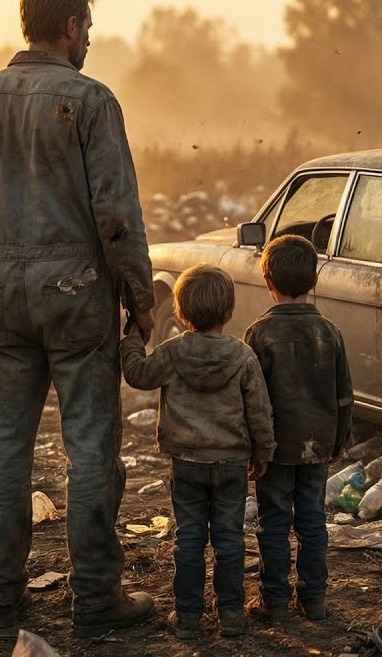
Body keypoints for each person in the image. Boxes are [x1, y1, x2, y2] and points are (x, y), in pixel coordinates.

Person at [0, 0, 155, 635]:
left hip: (1, 292)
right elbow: (115, 213)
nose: (88, 40)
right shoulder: (91, 100)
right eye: (87, 28)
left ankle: (1, 599)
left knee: (5, 448)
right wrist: (140, 296)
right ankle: (94, 599)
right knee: (89, 447)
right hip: (77, 293)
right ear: (69, 26)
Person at [120, 265, 275, 639]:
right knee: (229, 540)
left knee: (188, 540)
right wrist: (263, 453)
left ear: (181, 310)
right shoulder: (242, 356)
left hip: (187, 463)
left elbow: (138, 374)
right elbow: (259, 411)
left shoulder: (173, 352)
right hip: (231, 463)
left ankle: (188, 617)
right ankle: (231, 615)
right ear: (228, 310)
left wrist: (132, 339)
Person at [244, 235, 353, 622]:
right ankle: (314, 599)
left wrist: (254, 449)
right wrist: (339, 441)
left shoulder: (259, 334)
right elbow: (344, 396)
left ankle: (273, 601)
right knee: (312, 520)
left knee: (273, 522)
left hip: (275, 449)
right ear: (315, 279)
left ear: (267, 280)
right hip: (317, 445)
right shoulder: (330, 332)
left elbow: (253, 400)